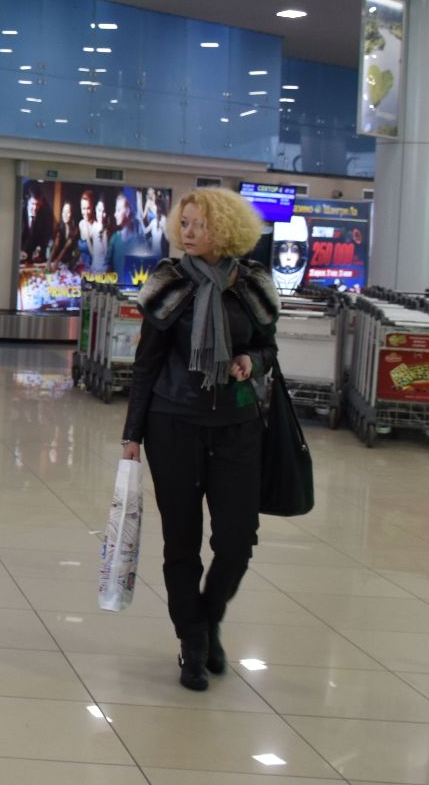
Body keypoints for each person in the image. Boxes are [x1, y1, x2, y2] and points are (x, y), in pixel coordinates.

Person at [122, 188, 277, 692]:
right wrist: (132, 436)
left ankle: (209, 619)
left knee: (237, 541)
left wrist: (252, 361)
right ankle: (192, 643)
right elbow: (146, 365)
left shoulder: (252, 283)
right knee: (181, 544)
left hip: (237, 426)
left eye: (198, 225)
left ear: (226, 230)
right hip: (174, 424)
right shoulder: (168, 284)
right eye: (183, 223)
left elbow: (267, 348)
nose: (187, 232)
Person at [49, 201, 80, 267]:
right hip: (59, 263)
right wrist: (49, 261)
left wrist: (57, 261)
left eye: (68, 212)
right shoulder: (59, 228)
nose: (65, 214)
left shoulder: (76, 230)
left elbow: (75, 253)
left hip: (70, 263)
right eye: (63, 212)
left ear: (72, 214)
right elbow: (55, 246)